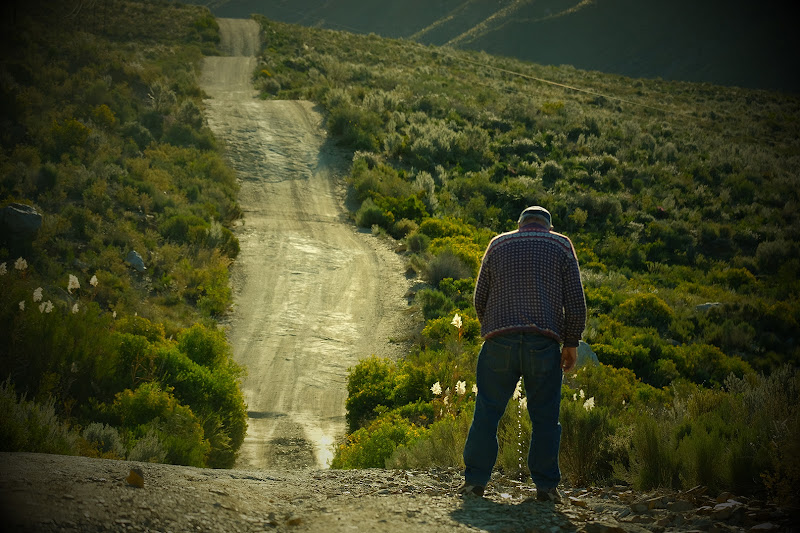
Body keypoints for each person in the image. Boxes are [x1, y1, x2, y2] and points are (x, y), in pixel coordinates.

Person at [458, 206, 586, 502]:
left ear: (519, 225)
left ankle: (474, 482)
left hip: (499, 342)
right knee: (545, 418)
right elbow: (576, 304)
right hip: (543, 344)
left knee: (487, 413)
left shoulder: (498, 243)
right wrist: (570, 343)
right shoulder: (561, 244)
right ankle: (545, 488)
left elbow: (480, 299)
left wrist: (495, 328)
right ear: (548, 227)